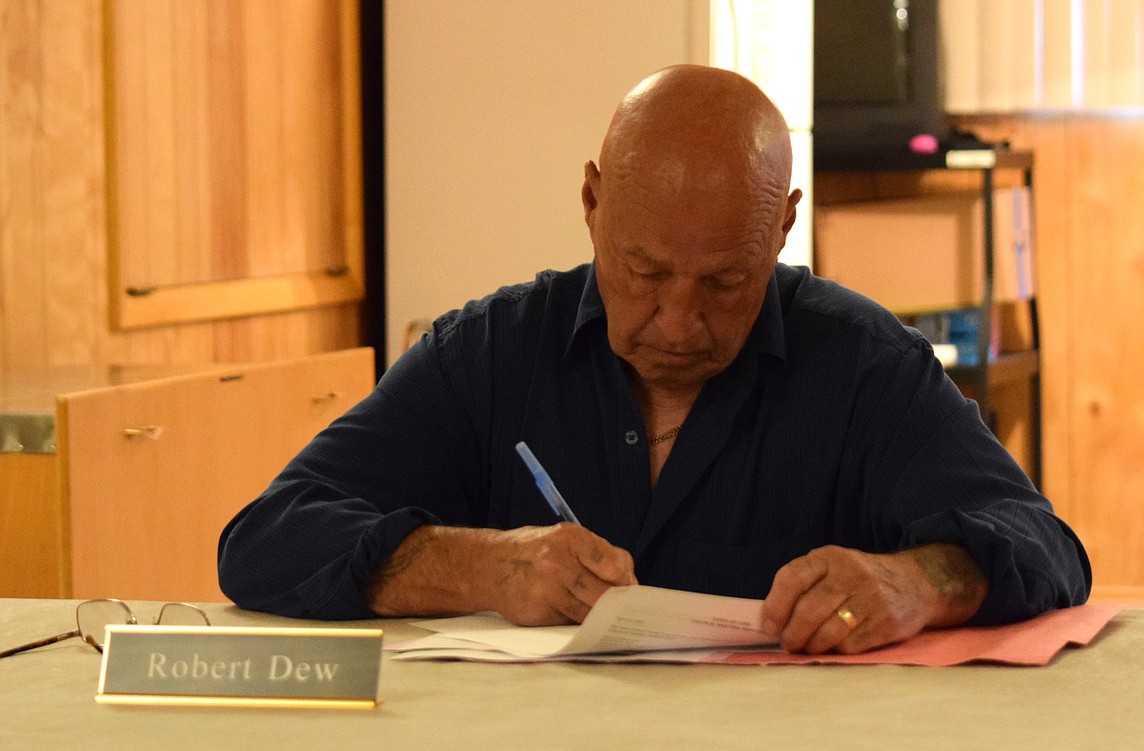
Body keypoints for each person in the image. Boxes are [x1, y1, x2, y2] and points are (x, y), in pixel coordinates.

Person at [218, 65, 1090, 654]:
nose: (678, 322)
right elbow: (265, 541)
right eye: (644, 272)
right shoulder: (489, 357)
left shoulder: (861, 367)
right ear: (592, 203)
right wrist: (483, 565)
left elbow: (1046, 547)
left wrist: (923, 581)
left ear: (782, 227)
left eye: (725, 281)